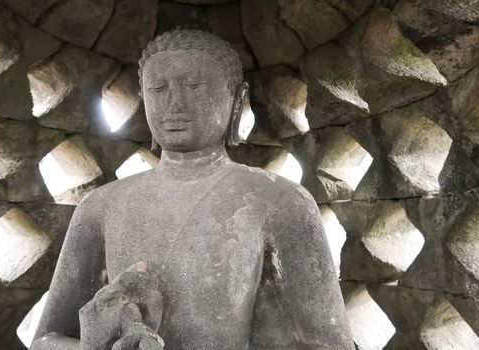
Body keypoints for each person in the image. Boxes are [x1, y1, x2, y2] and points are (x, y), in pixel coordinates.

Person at [31, 29, 353, 350]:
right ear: (143, 99)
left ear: (237, 101)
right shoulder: (100, 206)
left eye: (195, 86)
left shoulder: (280, 201)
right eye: (159, 89)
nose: (176, 104)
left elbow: (329, 344)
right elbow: (46, 341)